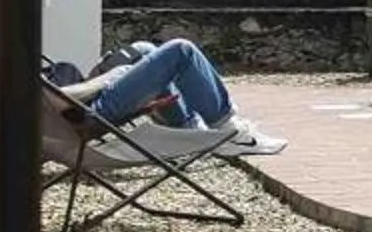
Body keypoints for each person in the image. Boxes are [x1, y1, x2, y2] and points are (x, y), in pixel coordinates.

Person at [51, 38, 286, 156]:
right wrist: (105, 79)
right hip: (86, 113)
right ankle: (231, 133)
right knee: (180, 50)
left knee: (144, 49)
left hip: (82, 99)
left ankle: (188, 130)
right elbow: (55, 98)